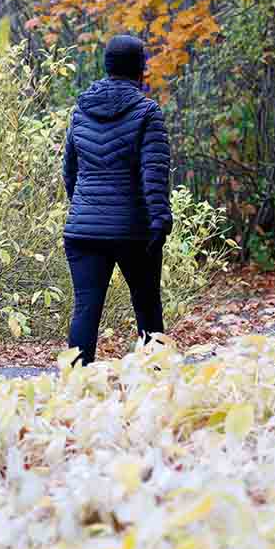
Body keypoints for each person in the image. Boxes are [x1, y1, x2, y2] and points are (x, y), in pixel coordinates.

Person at [61, 34, 173, 365]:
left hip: (83, 230)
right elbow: (154, 175)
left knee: (85, 309)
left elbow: (70, 171)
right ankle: (156, 385)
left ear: (106, 66)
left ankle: (74, 389)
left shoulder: (81, 109)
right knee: (148, 307)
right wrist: (160, 222)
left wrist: (84, 208)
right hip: (133, 230)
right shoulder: (147, 112)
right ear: (141, 69)